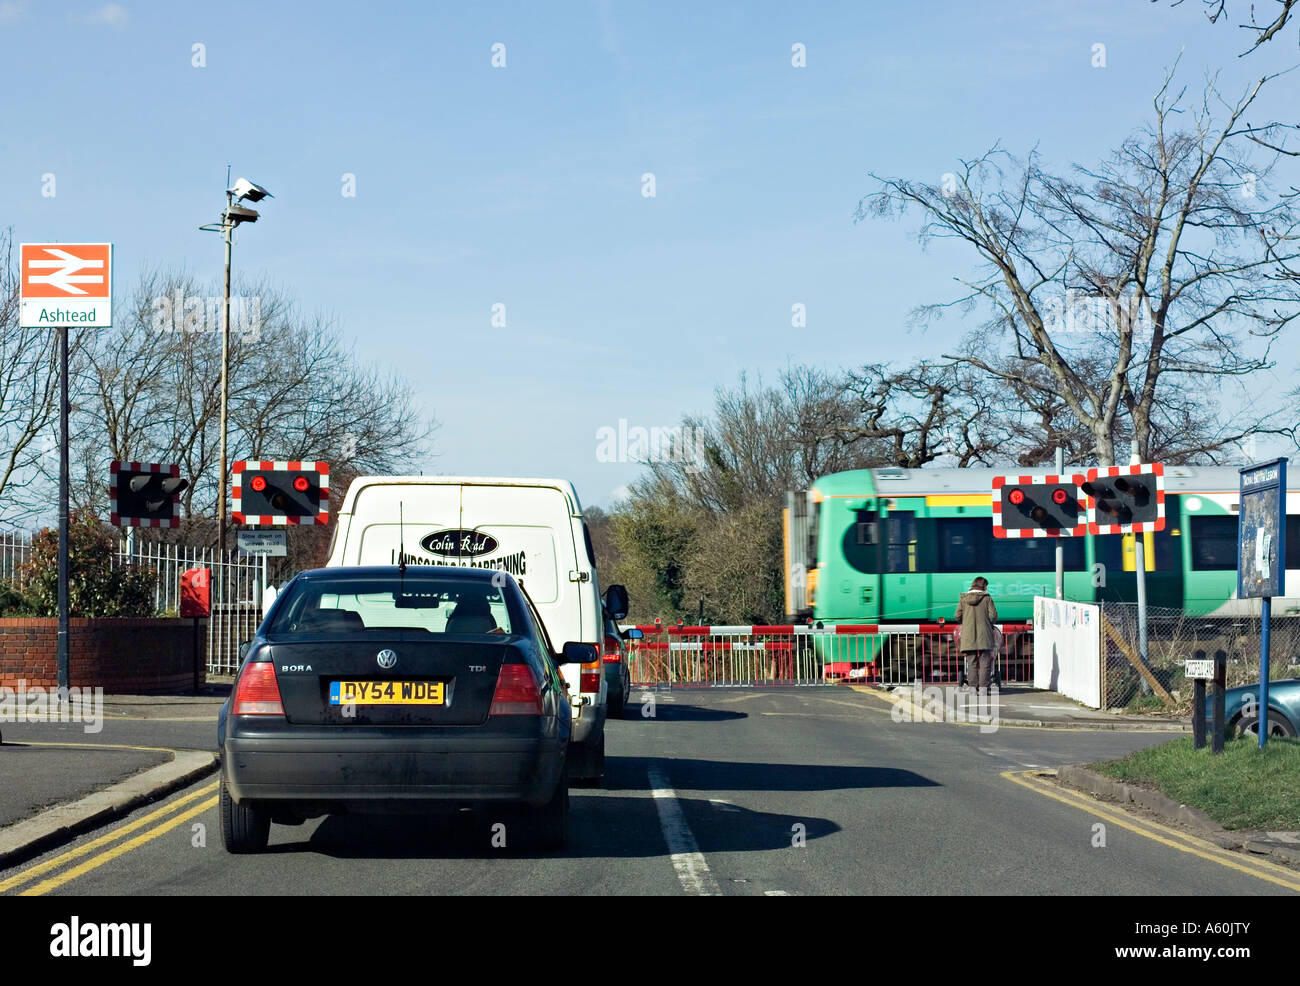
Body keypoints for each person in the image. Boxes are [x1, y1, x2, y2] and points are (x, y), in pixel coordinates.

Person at [955, 576, 998, 693]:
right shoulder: (987, 598)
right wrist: (989, 624)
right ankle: (984, 688)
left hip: (968, 635)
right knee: (985, 662)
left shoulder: (964, 599)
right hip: (985, 635)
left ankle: (973, 688)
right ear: (983, 586)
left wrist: (966, 622)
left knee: (971, 662)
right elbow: (993, 615)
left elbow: (957, 616)